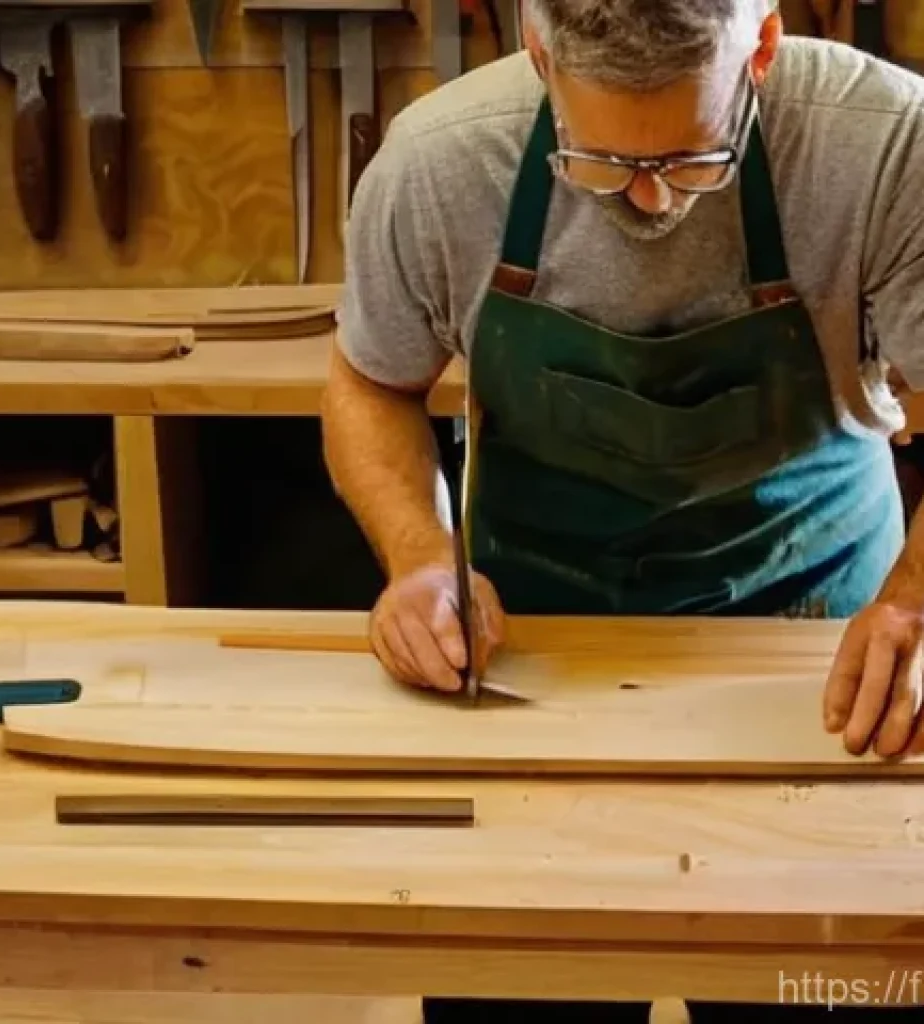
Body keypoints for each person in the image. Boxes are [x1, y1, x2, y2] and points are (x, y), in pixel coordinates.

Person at [322, 0, 924, 1020]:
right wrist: (420, 557)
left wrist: (913, 600)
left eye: (695, 160)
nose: (651, 200)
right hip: (533, 650)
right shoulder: (439, 164)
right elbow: (369, 381)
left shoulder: (887, 145)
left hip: (815, 656)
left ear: (762, 47)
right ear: (538, 53)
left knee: (811, 980)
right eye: (600, 164)